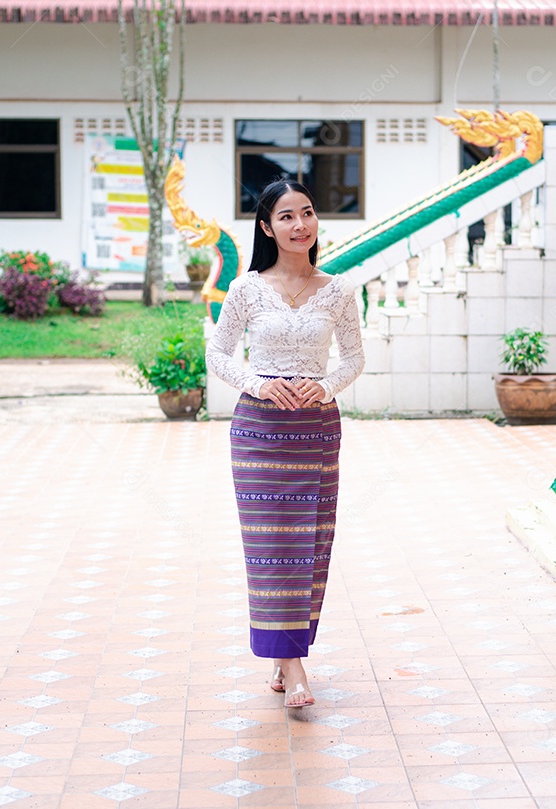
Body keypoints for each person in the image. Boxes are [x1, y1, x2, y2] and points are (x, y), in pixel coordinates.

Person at [205, 179, 364, 709]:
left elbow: (353, 358)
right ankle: (294, 668)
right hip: (259, 434)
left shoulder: (339, 289)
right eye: (287, 217)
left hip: (316, 431)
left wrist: (324, 386)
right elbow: (219, 354)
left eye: (308, 213)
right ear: (267, 227)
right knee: (271, 550)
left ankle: (284, 653)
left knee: (310, 546)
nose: (301, 226)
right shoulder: (247, 289)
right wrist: (259, 383)